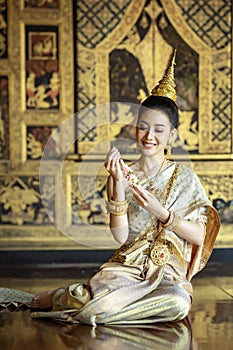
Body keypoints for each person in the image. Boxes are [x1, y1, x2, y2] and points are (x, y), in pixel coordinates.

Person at [30, 50, 220, 326]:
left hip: (168, 272)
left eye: (158, 129)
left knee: (177, 304)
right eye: (143, 127)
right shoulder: (121, 173)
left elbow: (199, 237)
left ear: (172, 135)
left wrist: (161, 212)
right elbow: (120, 237)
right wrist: (118, 188)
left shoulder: (185, 177)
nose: (149, 136)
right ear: (135, 129)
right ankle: (69, 298)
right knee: (97, 306)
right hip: (129, 267)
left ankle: (94, 306)